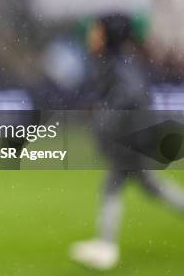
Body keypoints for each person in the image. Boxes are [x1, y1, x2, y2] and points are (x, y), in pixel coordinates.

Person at [69, 14, 184, 270]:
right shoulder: (116, 61)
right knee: (150, 186)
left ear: (109, 36)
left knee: (113, 186)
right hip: (135, 138)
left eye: (96, 30)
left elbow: (131, 97)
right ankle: (105, 244)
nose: (91, 35)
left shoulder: (117, 63)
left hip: (131, 140)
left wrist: (106, 117)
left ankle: (106, 247)